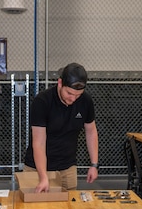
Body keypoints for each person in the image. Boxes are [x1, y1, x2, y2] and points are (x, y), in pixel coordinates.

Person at [23, 62, 99, 192]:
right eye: (69, 93)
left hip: (67, 168)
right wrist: (43, 177)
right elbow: (39, 142)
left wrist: (94, 164)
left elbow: (91, 131)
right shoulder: (42, 101)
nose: (73, 98)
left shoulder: (86, 101)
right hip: (37, 169)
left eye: (78, 95)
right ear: (60, 83)